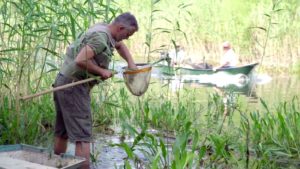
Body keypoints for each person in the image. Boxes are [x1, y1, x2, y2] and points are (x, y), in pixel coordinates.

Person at [53, 12, 138, 169]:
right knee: (83, 137)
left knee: (62, 132)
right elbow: (81, 60)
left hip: (62, 82)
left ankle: (55, 165)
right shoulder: (100, 38)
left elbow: (119, 45)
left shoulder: (106, 29)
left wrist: (131, 63)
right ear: (120, 28)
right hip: (73, 87)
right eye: (127, 34)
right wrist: (101, 71)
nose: (127, 38)